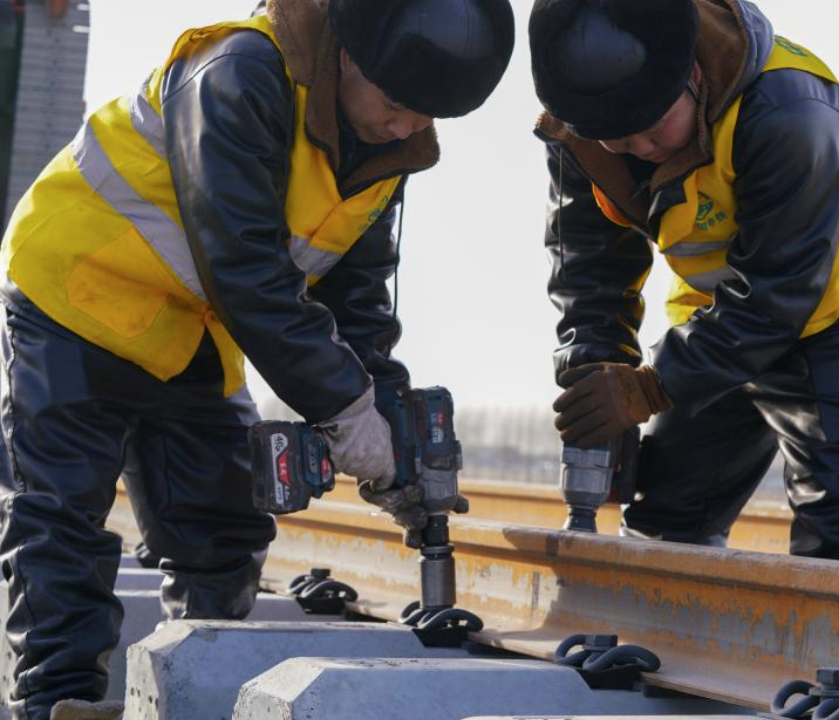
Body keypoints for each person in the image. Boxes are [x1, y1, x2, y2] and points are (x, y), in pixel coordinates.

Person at [0, 0, 513, 716]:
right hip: (76, 293)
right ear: (349, 55)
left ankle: (182, 687)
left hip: (188, 325)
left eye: (427, 118)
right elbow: (244, 267)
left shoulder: (384, 148)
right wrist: (345, 410)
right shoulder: (239, 74)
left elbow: (357, 304)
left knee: (220, 527)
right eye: (397, 105)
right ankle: (54, 702)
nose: (407, 128)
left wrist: (389, 426)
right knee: (61, 522)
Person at [530, 0, 839, 566]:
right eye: (619, 139)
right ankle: (657, 636)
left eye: (653, 126)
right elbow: (589, 265)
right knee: (667, 507)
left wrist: (650, 386)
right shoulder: (584, 127)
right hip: (719, 309)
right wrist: (597, 370)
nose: (641, 149)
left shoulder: (790, 114)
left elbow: (776, 298)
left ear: (693, 73)